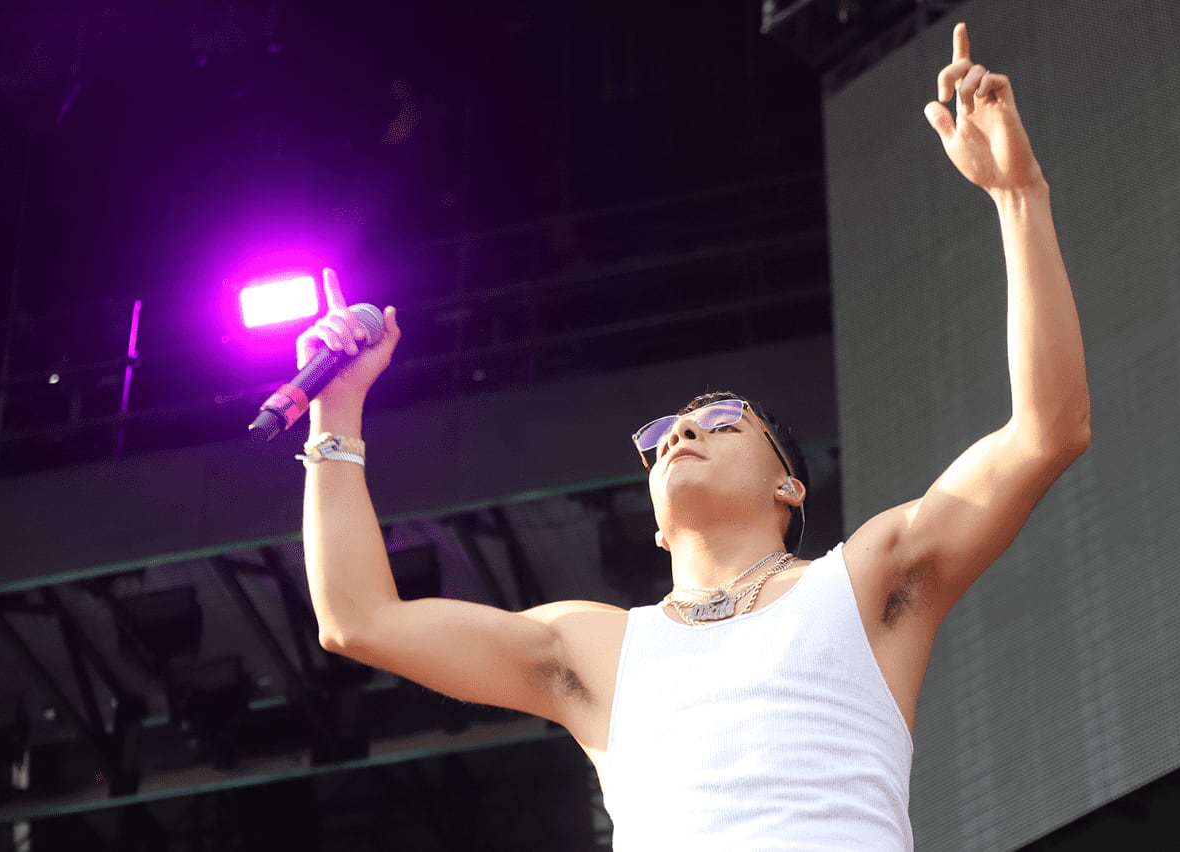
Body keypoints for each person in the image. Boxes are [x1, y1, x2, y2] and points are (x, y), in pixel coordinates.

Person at [299, 23, 1088, 850]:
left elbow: (1049, 428)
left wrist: (1018, 196)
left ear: (789, 485)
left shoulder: (865, 580)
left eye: (719, 420)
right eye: (663, 434)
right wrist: (335, 411)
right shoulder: (597, 648)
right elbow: (359, 619)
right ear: (654, 523)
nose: (680, 432)